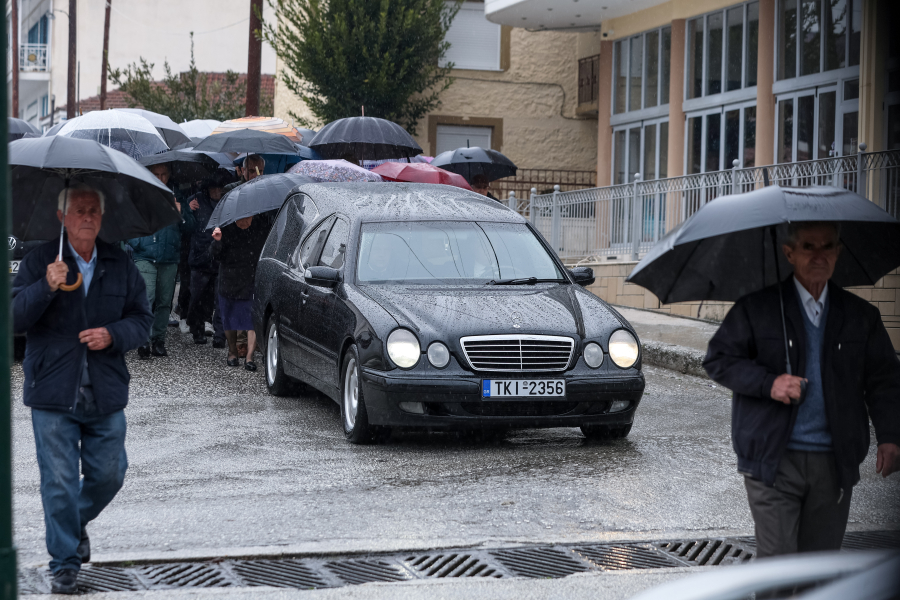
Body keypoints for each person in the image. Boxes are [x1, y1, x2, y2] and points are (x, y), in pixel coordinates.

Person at [703, 221, 900, 558]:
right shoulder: (758, 308)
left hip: (835, 463)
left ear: (838, 252)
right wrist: (769, 383)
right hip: (773, 459)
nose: (819, 255)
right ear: (789, 253)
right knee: (778, 565)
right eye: (808, 246)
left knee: (818, 569)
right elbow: (719, 359)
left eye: (827, 246)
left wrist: (891, 435)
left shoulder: (860, 316)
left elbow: (885, 379)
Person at [13, 185, 153, 594]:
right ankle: (64, 564)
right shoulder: (40, 260)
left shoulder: (119, 263)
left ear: (101, 217)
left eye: (93, 210)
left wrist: (113, 335)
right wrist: (46, 286)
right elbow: (13, 318)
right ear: (62, 218)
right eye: (79, 210)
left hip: (105, 390)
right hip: (53, 391)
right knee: (58, 481)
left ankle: (72, 526)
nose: (87, 217)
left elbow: (142, 320)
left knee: (110, 474)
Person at [126, 164, 197, 357]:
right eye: (156, 174)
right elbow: (128, 224)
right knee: (146, 298)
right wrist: (139, 243)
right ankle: (143, 340)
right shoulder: (141, 194)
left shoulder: (176, 195)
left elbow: (191, 227)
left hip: (169, 256)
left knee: (165, 302)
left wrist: (180, 213)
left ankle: (159, 340)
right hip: (145, 256)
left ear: (169, 174)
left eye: (164, 174)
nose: (160, 178)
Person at [209, 212, 271, 371]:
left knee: (251, 319)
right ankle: (232, 351)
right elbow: (215, 255)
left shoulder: (261, 225)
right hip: (229, 279)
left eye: (249, 216)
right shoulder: (226, 227)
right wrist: (217, 241)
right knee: (229, 317)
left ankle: (250, 357)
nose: (246, 219)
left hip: (251, 278)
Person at [186, 171, 230, 346]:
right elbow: (187, 225)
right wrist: (187, 210)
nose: (216, 192)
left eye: (219, 188)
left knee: (219, 298)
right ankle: (197, 328)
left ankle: (219, 335)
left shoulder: (226, 202)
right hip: (200, 256)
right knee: (197, 297)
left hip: (218, 256)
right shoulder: (196, 200)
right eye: (213, 188)